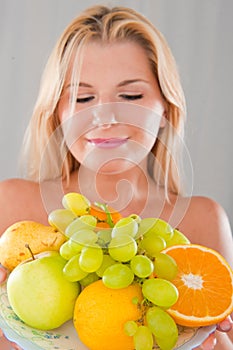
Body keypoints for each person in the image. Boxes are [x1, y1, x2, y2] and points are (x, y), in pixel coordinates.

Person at [0, 5, 232, 350]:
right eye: (82, 97)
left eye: (130, 96)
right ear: (57, 113)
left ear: (165, 109)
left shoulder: (203, 219)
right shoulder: (11, 204)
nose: (104, 118)